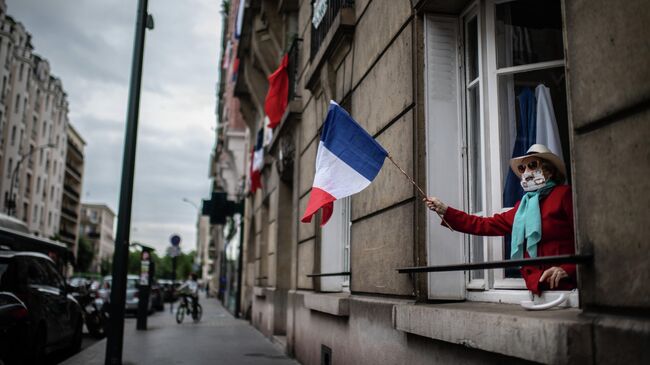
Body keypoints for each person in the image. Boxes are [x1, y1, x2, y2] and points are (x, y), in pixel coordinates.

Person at [424, 144, 576, 295]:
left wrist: (568, 268)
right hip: (537, 289)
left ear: (548, 171)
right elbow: (484, 224)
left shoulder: (563, 195)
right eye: (522, 168)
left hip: (566, 288)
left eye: (532, 165)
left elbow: (585, 239)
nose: (526, 172)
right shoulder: (522, 208)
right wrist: (445, 210)